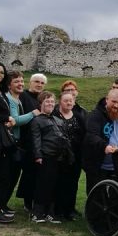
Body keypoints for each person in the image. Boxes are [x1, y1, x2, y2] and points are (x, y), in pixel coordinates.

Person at [30, 91, 73, 223]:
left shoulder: (59, 120)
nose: (50, 103)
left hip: (59, 158)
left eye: (52, 101)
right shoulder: (37, 120)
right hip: (45, 156)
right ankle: (37, 213)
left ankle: (50, 213)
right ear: (41, 103)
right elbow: (36, 139)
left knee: (55, 185)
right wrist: (38, 155)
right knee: (43, 185)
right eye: (47, 101)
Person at [83, 88, 118, 194]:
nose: (116, 105)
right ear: (107, 99)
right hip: (98, 164)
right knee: (96, 194)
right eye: (113, 101)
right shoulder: (95, 116)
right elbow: (92, 136)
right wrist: (105, 146)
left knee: (116, 195)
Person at [4, 71, 40, 212]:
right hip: (9, 142)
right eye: (16, 81)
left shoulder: (17, 99)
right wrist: (33, 113)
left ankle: (2, 205)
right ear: (9, 85)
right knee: (7, 176)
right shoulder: (10, 99)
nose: (20, 84)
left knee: (12, 177)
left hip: (15, 142)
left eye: (21, 81)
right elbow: (14, 121)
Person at [53, 91, 86, 220]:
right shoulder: (55, 115)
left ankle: (70, 210)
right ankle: (58, 210)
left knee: (72, 183)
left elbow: (84, 135)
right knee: (59, 182)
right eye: (66, 100)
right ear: (60, 101)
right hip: (60, 156)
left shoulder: (78, 116)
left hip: (75, 156)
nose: (68, 102)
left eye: (71, 100)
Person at [17, 73, 47, 212]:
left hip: (39, 142)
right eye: (36, 81)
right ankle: (27, 202)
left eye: (42, 83)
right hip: (24, 141)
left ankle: (34, 200)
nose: (39, 84)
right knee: (28, 174)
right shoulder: (23, 96)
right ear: (30, 82)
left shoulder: (43, 99)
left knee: (36, 174)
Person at [0, 62, 16, 223]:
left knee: (1, 173)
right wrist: (6, 118)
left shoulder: (1, 91)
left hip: (0, 137)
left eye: (1, 72)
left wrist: (6, 120)